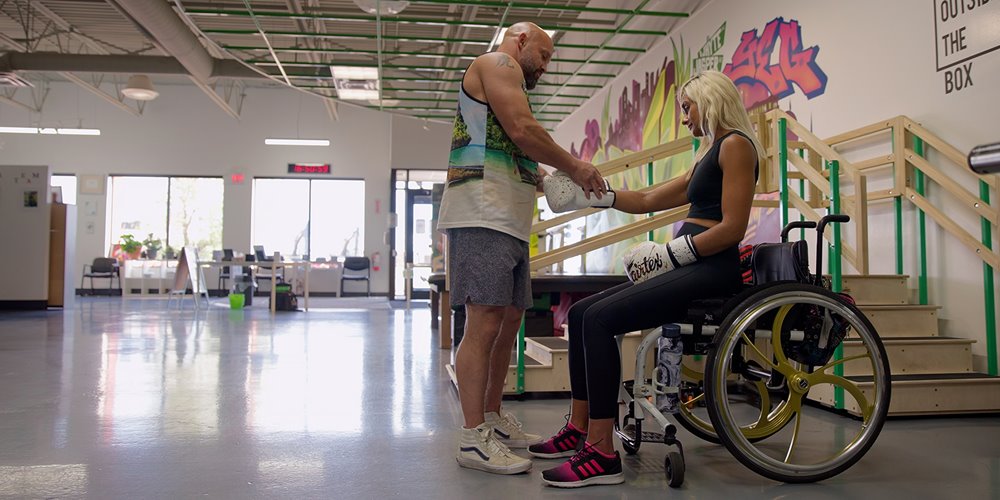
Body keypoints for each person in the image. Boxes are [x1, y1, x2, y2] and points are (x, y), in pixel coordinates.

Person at [529, 70, 767, 488]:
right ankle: (581, 428)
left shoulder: (736, 146)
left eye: (687, 108)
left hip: (711, 270)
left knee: (601, 321)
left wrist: (675, 253)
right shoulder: (709, 153)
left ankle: (601, 454)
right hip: (692, 265)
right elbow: (648, 199)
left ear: (709, 101)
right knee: (583, 314)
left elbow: (732, 228)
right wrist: (591, 192)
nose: (684, 118)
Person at [437, 21, 608, 475]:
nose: (546, 67)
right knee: (484, 319)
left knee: (509, 318)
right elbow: (521, 127)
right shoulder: (498, 62)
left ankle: (491, 418)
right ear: (521, 40)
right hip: (480, 212)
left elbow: (511, 141)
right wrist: (575, 166)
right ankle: (473, 438)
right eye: (545, 55)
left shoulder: (510, 76)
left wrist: (541, 177)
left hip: (508, 218)